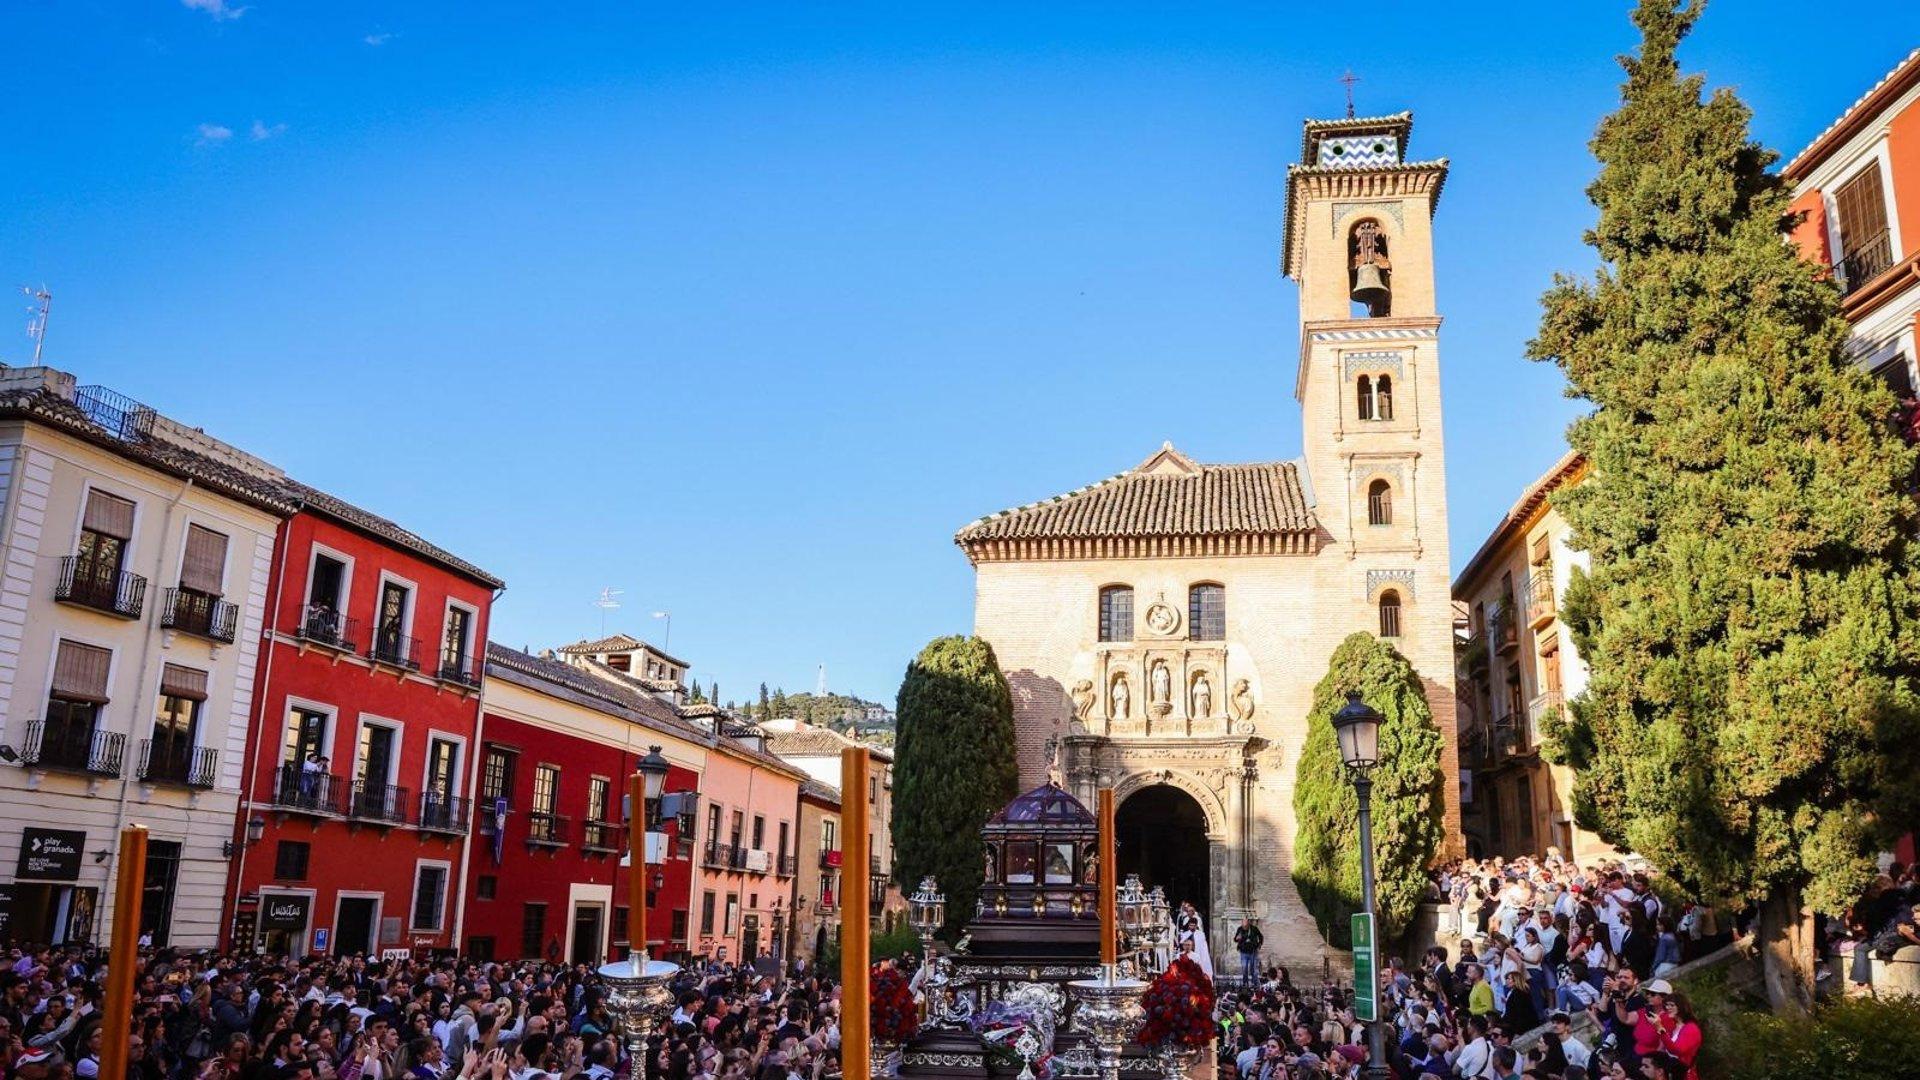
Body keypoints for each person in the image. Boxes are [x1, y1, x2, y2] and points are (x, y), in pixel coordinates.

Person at [1233, 918, 1264, 989]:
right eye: (1243, 926)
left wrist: (1259, 944)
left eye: (1246, 926)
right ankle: (1245, 985)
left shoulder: (1254, 929)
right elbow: (1235, 939)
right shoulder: (1240, 929)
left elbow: (1261, 936)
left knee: (1254, 970)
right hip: (1243, 952)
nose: (1244, 927)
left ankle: (1255, 985)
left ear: (1248, 923)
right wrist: (1237, 938)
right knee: (1244, 968)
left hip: (1253, 952)